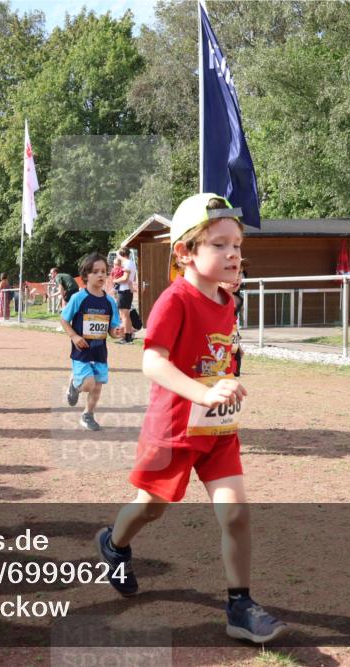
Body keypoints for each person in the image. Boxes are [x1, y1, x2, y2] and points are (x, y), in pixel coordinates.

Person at [95, 193, 286, 643]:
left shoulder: (227, 300)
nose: (233, 253)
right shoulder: (174, 300)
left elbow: (218, 353)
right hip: (174, 429)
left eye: (236, 244)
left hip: (217, 429)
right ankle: (114, 544)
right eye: (219, 245)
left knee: (235, 513)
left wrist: (225, 382)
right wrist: (205, 392)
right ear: (184, 252)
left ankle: (240, 605)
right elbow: (152, 362)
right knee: (151, 507)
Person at [60, 253, 124, 431]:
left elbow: (112, 328)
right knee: (88, 384)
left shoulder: (110, 302)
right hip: (81, 351)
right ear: (86, 275)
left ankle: (87, 415)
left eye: (103, 271)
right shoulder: (78, 298)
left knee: (97, 387)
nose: (100, 275)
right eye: (95, 271)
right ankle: (74, 385)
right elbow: (64, 319)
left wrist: (116, 332)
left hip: (100, 352)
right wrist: (74, 336)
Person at [115, 247, 137, 344]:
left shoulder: (127, 263)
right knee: (126, 315)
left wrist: (115, 280)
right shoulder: (131, 263)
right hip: (127, 291)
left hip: (124, 291)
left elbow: (125, 278)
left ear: (122, 254)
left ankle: (126, 337)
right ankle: (129, 336)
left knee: (123, 315)